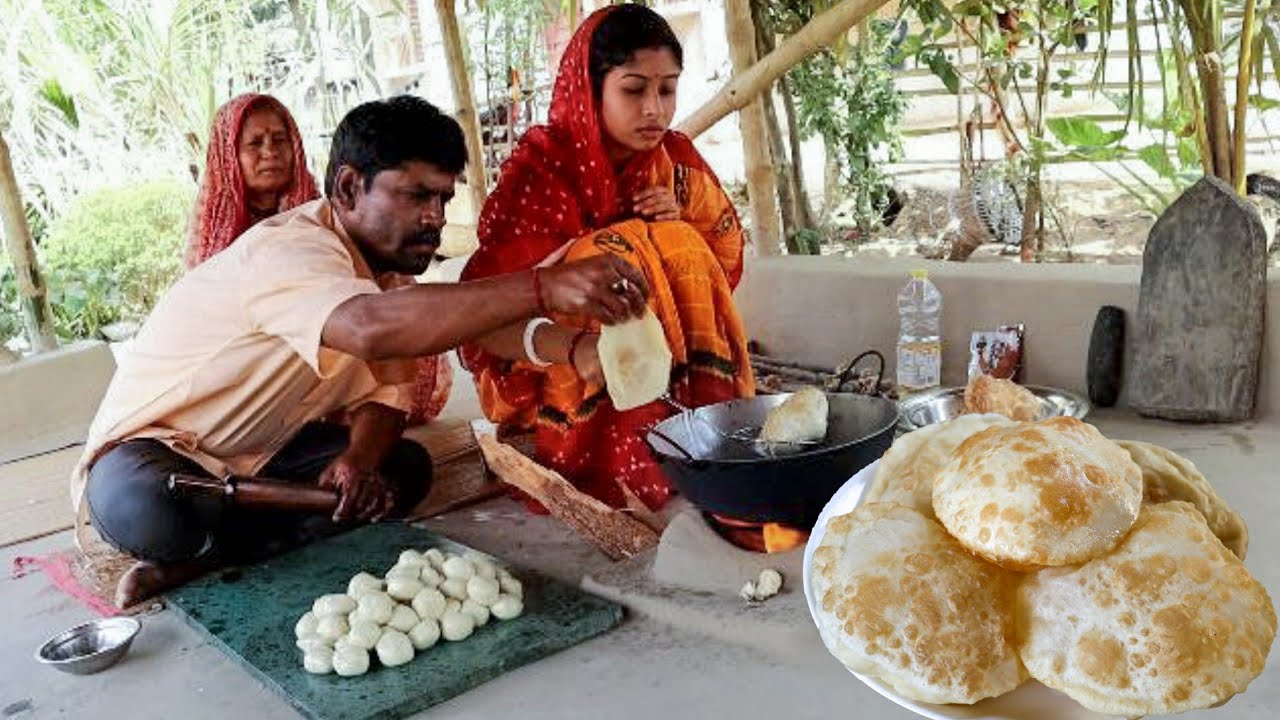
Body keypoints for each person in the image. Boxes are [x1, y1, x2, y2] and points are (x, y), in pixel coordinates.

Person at [71, 95, 648, 607]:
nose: (434, 217)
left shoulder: (388, 272)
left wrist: (361, 461)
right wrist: (542, 286)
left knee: (403, 469)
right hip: (155, 456)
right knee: (150, 505)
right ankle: (219, 538)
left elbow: (389, 395)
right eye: (416, 195)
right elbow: (370, 328)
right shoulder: (290, 252)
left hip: (262, 459)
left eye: (443, 199)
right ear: (348, 188)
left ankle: (209, 555)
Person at [460, 4, 755, 512]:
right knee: (607, 255)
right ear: (590, 87)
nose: (654, 110)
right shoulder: (542, 170)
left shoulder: (675, 161)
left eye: (667, 89)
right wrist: (617, 247)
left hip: (663, 365)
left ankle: (694, 426)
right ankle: (596, 448)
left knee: (679, 241)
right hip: (556, 365)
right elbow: (482, 315)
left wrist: (678, 216)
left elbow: (724, 258)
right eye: (634, 89)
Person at [187, 92, 452, 425]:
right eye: (255, 144)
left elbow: (368, 321)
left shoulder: (328, 218)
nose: (270, 152)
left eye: (280, 140)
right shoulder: (216, 237)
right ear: (228, 157)